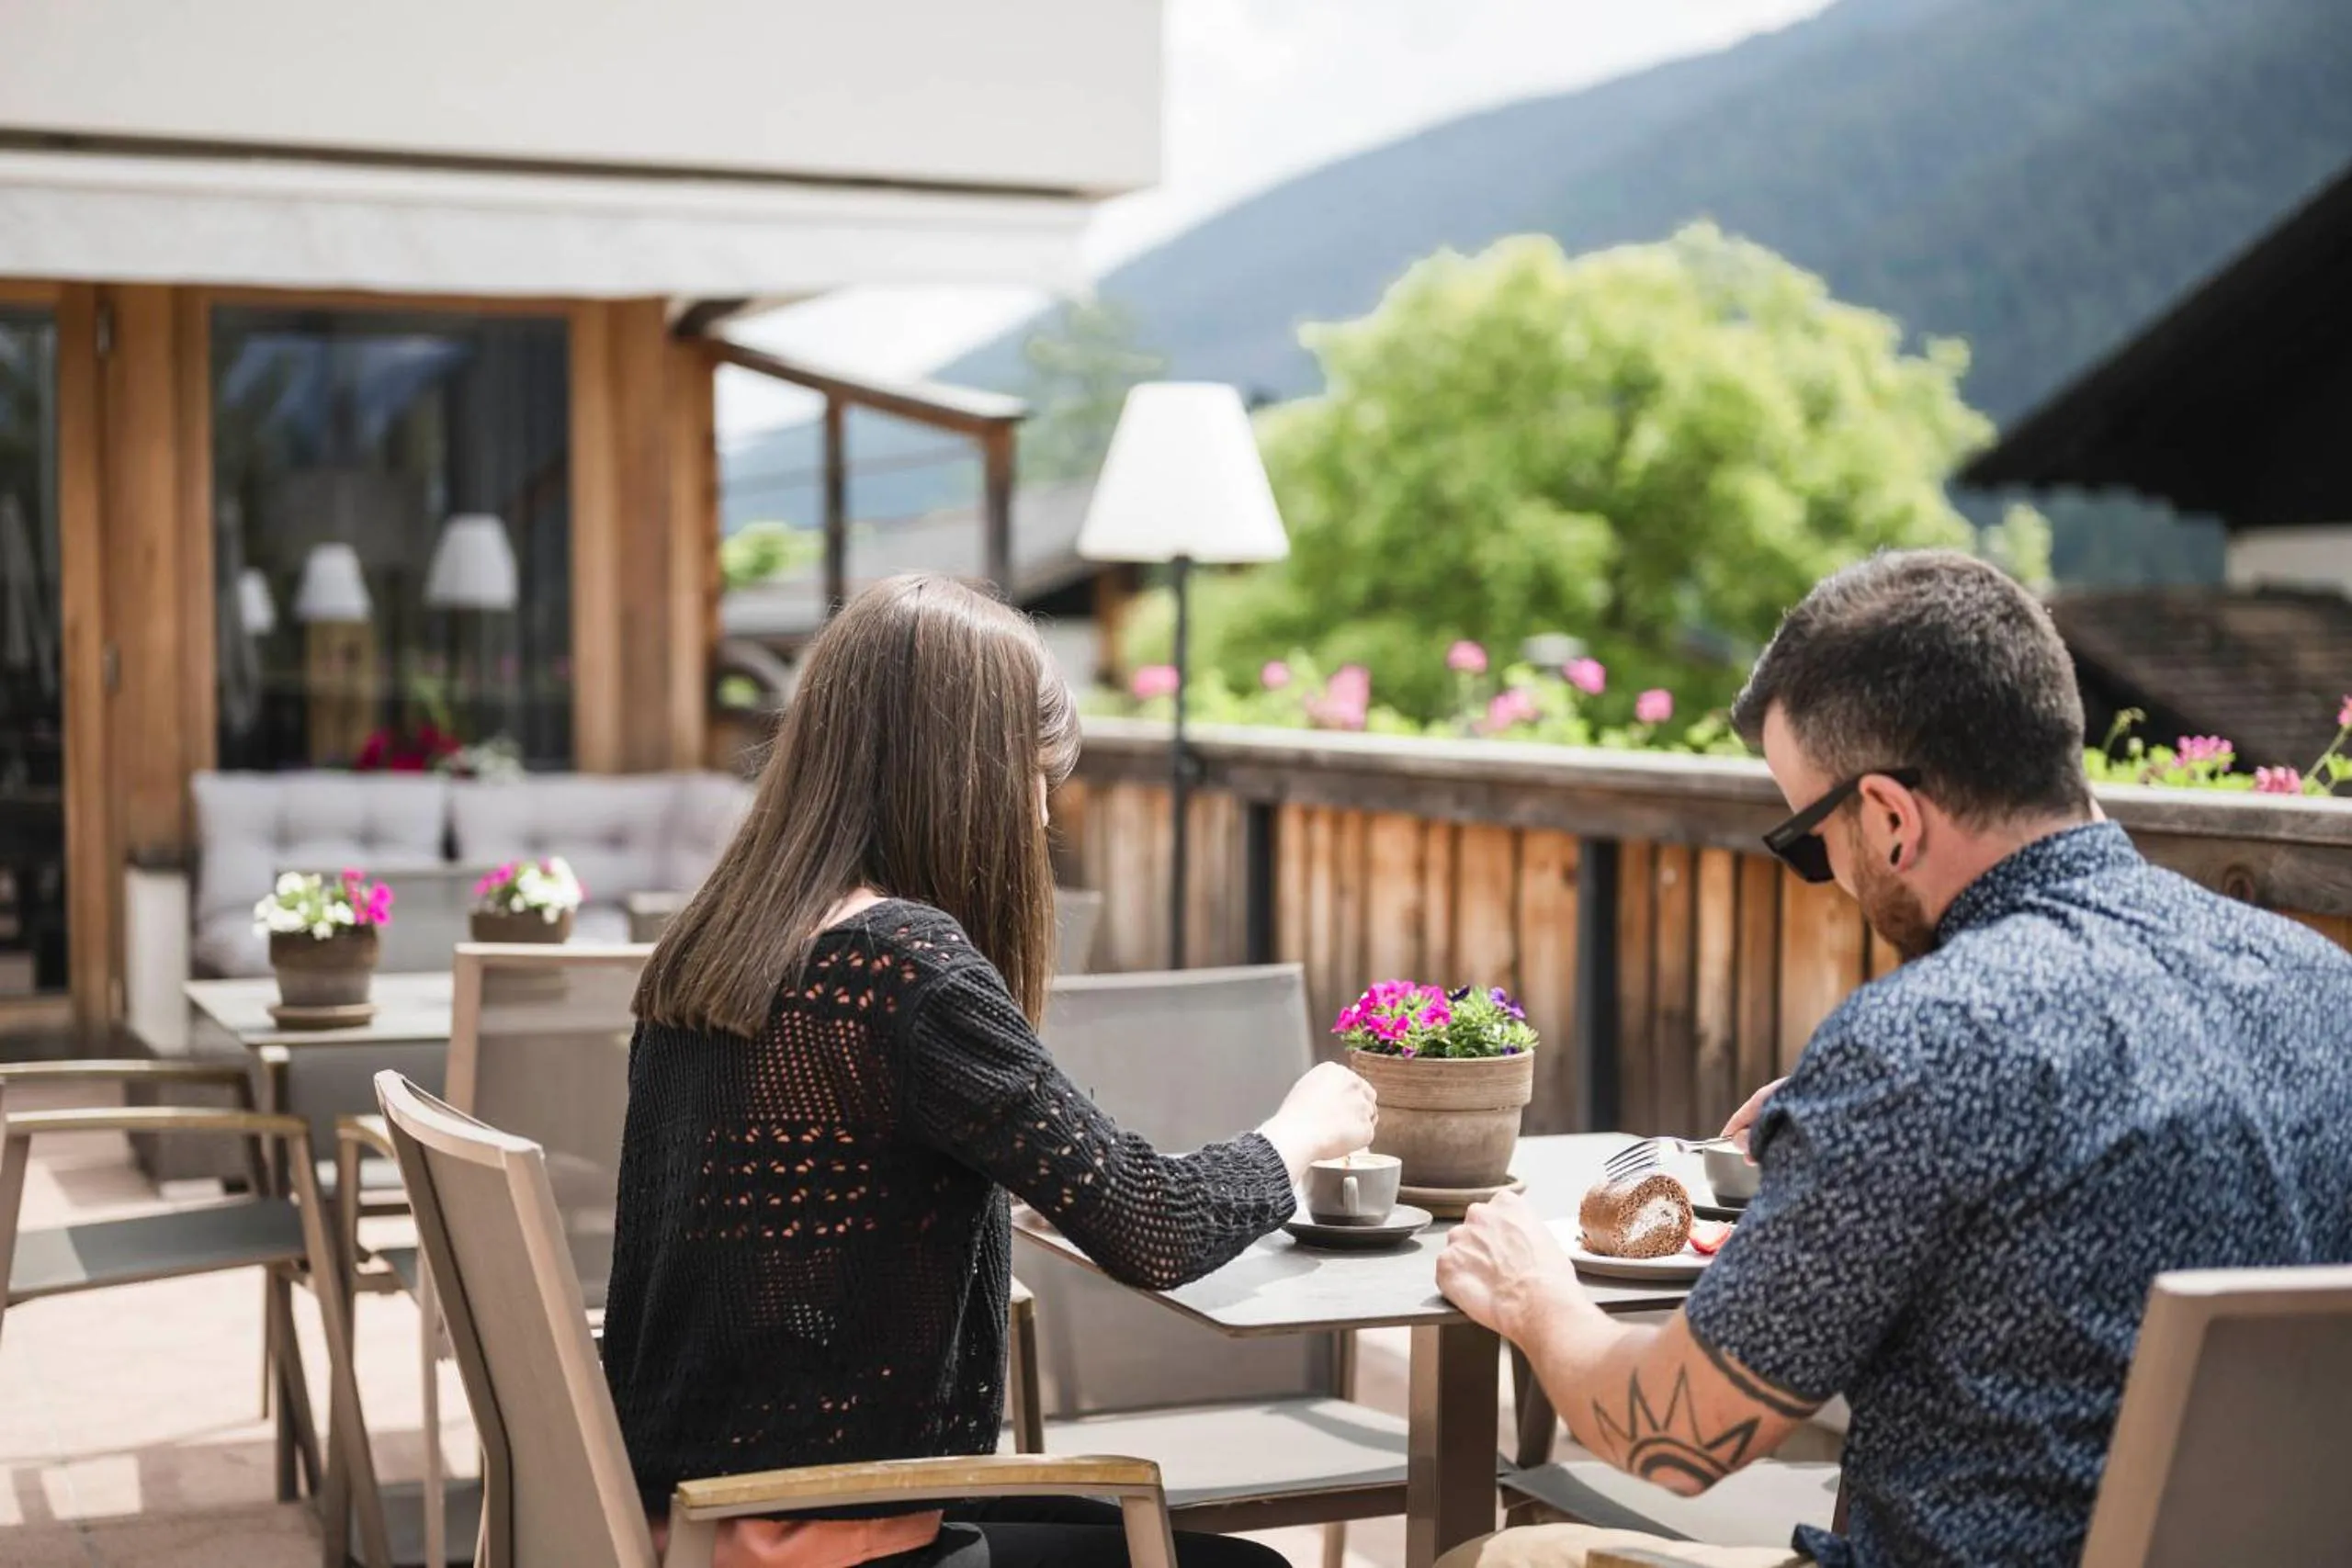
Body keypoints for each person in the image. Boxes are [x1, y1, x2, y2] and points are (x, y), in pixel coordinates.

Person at [1433, 550, 2352, 1568]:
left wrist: (1530, 1293)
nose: (1821, 872)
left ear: (1890, 816)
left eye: (1804, 835)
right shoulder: (2323, 989)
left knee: (1497, 1560)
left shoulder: (1924, 1046)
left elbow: (1674, 1435)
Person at [602, 574, 1377, 1568]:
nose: (1044, 809)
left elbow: (780, 1222)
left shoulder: (718, 943)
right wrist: (1304, 1129)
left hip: (682, 1522)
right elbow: (1158, 1226)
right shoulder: (900, 963)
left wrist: (962, 1199)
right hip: (832, 1532)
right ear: (970, 770)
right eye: (1037, 772)